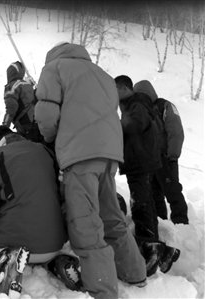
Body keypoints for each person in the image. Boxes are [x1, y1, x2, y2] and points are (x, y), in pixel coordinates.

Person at [34, 42, 146, 299]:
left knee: (85, 223)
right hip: (108, 154)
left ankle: (103, 290)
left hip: (80, 154)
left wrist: (50, 138)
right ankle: (135, 271)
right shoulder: (103, 75)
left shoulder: (54, 68)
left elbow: (46, 113)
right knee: (111, 216)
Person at [0, 125, 81, 298]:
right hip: (55, 242)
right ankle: (57, 262)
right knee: (37, 251)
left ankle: (3, 262)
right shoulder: (46, 152)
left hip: (17, 240)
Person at [114, 75, 180, 275]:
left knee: (140, 203)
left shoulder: (137, 102)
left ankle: (148, 246)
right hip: (142, 161)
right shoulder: (136, 103)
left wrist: (114, 125)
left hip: (139, 162)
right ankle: (160, 247)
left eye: (115, 90)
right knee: (148, 202)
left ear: (123, 88)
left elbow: (136, 123)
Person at [134, 80, 188, 224]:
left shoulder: (165, 106)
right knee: (154, 194)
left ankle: (181, 222)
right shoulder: (141, 111)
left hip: (166, 158)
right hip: (150, 162)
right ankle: (161, 221)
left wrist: (172, 156)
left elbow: (176, 131)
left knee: (173, 191)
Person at [2, 61, 43, 143]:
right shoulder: (27, 85)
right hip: (37, 122)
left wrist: (4, 127)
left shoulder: (11, 86)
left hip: (25, 126)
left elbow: (11, 108)